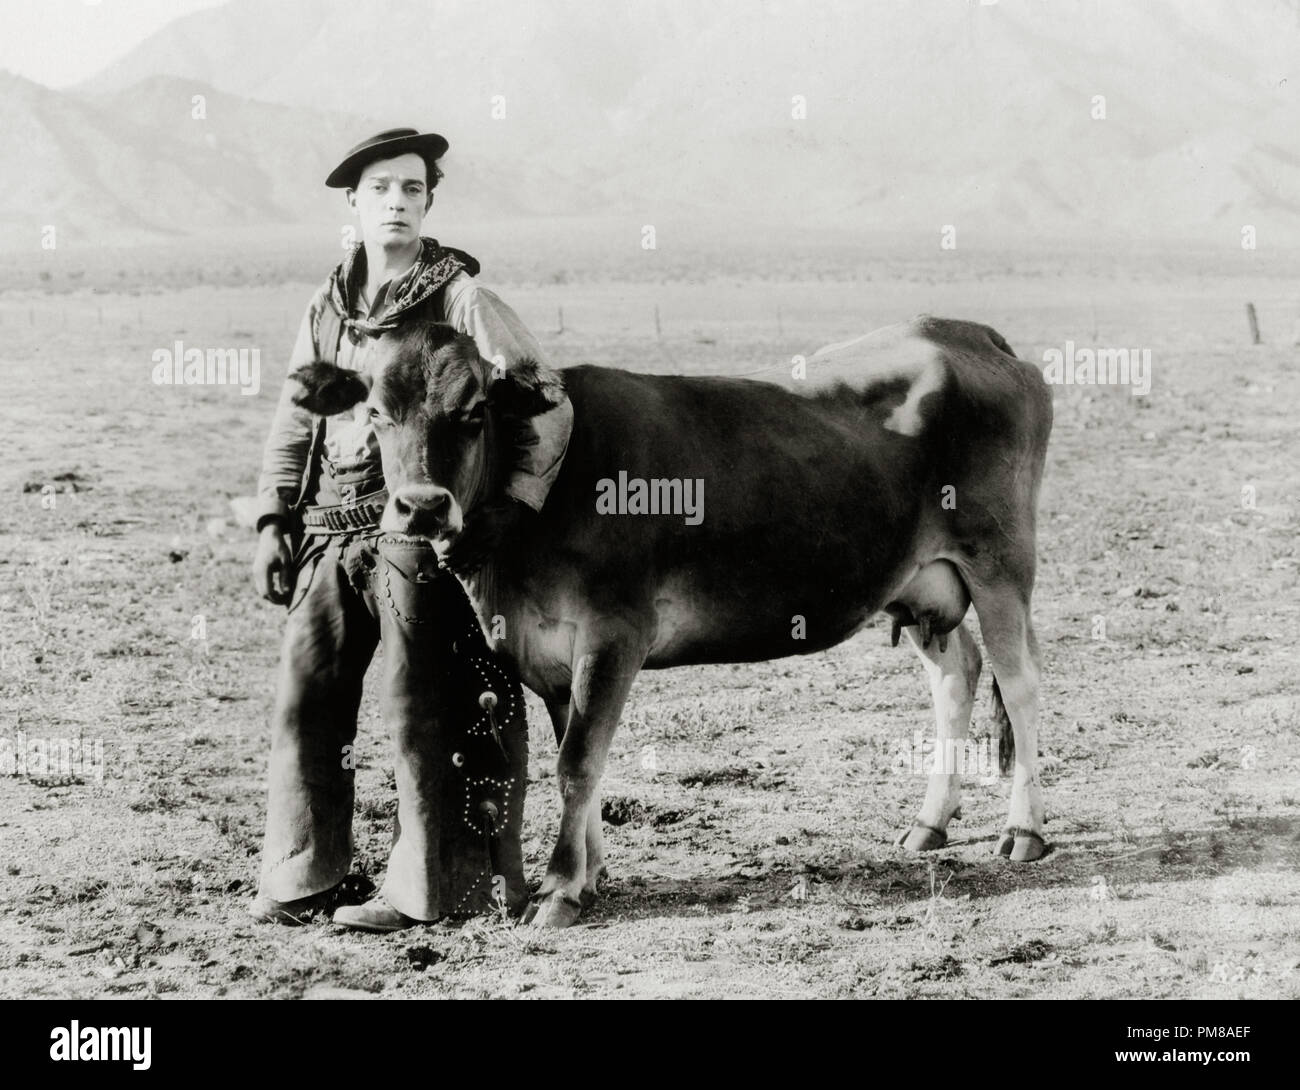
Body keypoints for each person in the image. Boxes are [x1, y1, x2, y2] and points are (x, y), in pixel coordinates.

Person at [247, 128, 572, 932]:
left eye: (413, 190)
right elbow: (295, 421)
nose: (397, 202)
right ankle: (304, 874)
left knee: (423, 706)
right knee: (305, 699)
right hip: (327, 530)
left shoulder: (460, 298)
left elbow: (547, 400)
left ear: (429, 203)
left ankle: (441, 890)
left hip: (424, 541)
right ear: (352, 204)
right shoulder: (328, 306)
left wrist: (509, 509)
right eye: (381, 189)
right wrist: (271, 519)